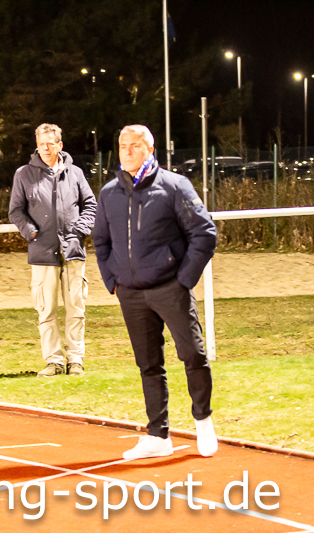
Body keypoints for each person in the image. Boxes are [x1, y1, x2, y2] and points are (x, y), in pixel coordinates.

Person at [92, 125, 219, 458]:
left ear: (149, 149)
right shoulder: (109, 193)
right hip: (131, 294)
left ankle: (203, 421)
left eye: (135, 145)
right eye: (123, 145)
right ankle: (158, 436)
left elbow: (204, 233)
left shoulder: (174, 186)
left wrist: (183, 279)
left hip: (170, 288)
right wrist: (113, 280)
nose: (127, 151)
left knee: (193, 354)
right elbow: (100, 241)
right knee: (148, 364)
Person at [9, 124, 97, 377]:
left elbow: (90, 205)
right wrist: (31, 232)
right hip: (42, 253)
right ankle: (54, 361)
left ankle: (75, 360)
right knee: (46, 311)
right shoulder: (23, 174)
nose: (45, 148)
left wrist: (79, 231)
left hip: (73, 251)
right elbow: (15, 211)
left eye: (50, 143)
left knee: (76, 309)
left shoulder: (75, 173)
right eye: (41, 144)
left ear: (60, 145)